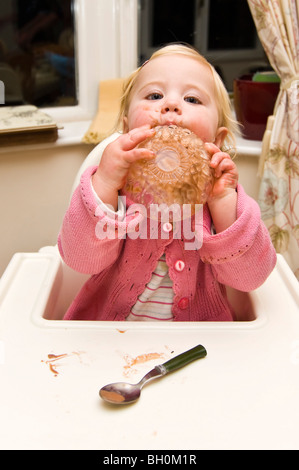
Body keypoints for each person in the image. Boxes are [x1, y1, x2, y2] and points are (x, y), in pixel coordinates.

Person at [58, 44, 276, 322]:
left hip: (201, 344)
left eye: (192, 99)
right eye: (155, 95)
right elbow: (80, 260)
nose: (171, 105)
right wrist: (104, 183)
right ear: (127, 130)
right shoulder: (114, 192)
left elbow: (251, 279)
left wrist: (223, 205)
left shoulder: (221, 197)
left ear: (216, 141)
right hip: (111, 340)